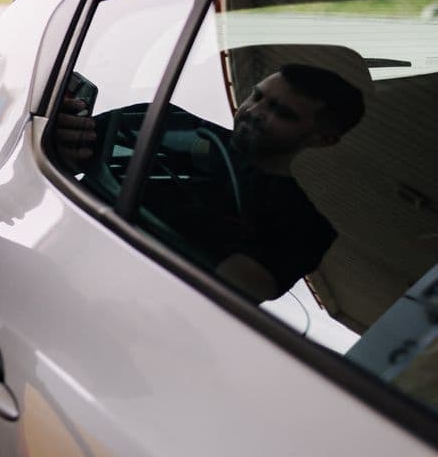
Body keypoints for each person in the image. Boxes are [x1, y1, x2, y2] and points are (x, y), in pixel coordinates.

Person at [56, 63, 365, 303]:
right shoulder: (160, 122)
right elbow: (63, 156)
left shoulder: (305, 227)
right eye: (257, 96)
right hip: (57, 261)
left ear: (323, 139)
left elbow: (233, 293)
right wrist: (63, 133)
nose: (255, 112)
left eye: (282, 113)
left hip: (126, 313)